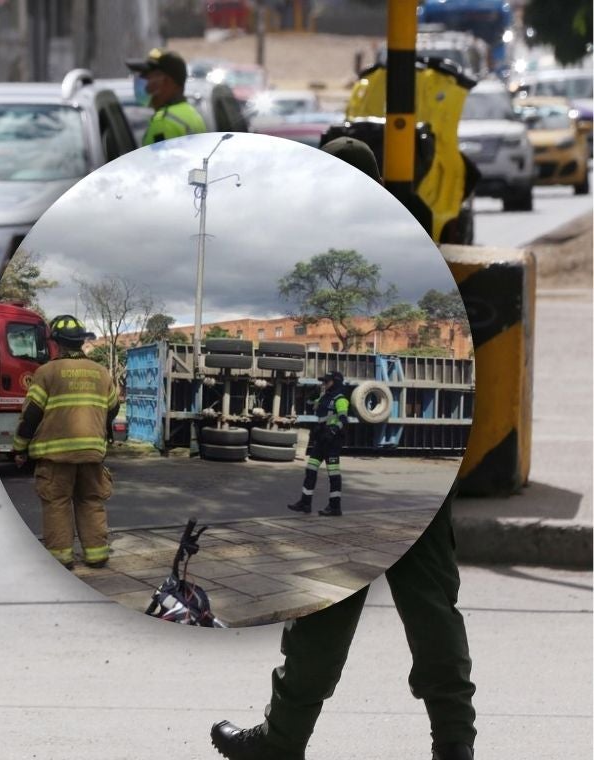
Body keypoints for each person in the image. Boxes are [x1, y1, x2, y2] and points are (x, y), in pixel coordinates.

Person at [210, 136, 475, 760]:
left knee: (328, 596)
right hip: (414, 456)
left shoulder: (341, 258)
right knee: (429, 604)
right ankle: (454, 746)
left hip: (369, 454)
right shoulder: (411, 246)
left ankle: (283, 738)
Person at [12, 314, 119, 569]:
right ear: (82, 342)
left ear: (56, 343)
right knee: (91, 501)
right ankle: (96, 555)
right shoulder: (102, 373)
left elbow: (31, 415)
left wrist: (20, 448)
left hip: (55, 456)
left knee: (57, 503)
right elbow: (113, 409)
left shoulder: (47, 372)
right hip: (92, 454)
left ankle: (61, 559)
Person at [286, 369, 349, 516]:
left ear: (335, 383)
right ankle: (305, 503)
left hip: (332, 442)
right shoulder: (324, 397)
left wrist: (333, 431)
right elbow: (309, 404)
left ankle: (335, 507)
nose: (324, 384)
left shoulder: (340, 399)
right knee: (310, 470)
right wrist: (315, 392)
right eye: (323, 382)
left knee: (333, 474)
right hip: (321, 440)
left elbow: (343, 419)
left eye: (326, 382)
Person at [126, 47, 208, 145]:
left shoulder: (163, 123)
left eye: (146, 76)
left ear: (166, 81)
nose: (142, 82)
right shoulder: (190, 112)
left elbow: (158, 159)